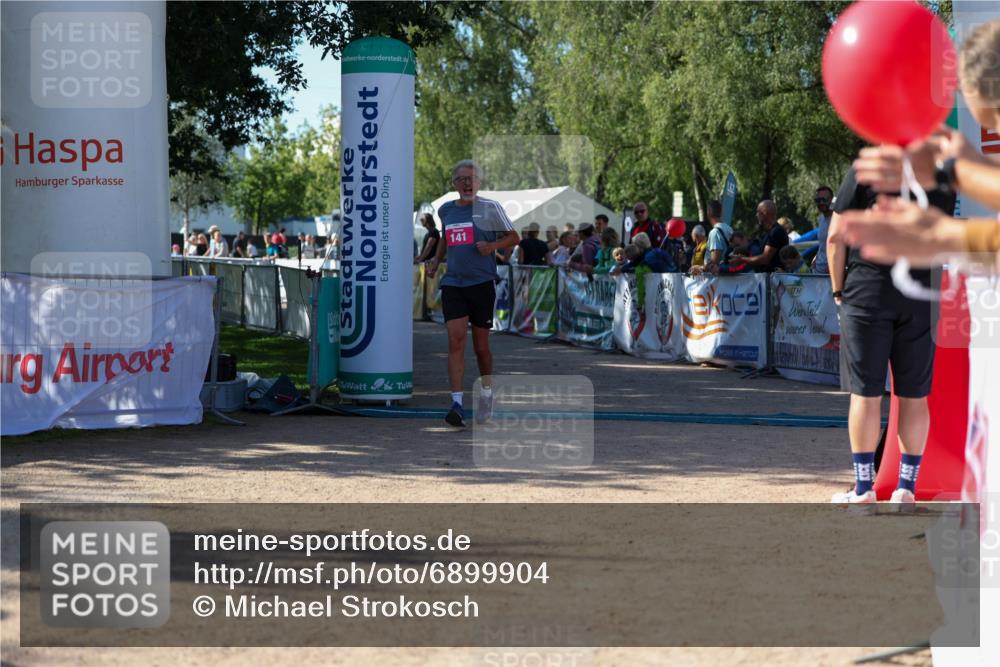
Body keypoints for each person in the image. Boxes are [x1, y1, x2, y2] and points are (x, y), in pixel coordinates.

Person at [827, 167, 956, 505]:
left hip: (869, 290)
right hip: (920, 292)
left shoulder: (865, 169)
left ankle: (863, 487)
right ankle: (906, 489)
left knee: (865, 394)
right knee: (914, 395)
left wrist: (838, 292)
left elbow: (835, 238)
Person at [427, 160, 519, 428]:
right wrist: (435, 260)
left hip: (481, 283)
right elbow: (446, 237)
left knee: (481, 347)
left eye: (472, 178)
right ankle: (456, 404)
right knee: (455, 341)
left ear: (479, 182)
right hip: (454, 282)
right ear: (454, 184)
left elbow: (514, 238)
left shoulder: (490, 208)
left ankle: (487, 394)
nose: (468, 183)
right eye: (462, 179)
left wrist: (492, 246)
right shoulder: (445, 210)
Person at [740, 200, 788, 272]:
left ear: (765, 213)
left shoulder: (776, 232)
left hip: (774, 279)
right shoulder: (768, 232)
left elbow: (765, 259)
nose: (756, 215)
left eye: (758, 212)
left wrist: (741, 259)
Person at [704, 200, 734, 271]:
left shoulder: (715, 232)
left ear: (708, 212)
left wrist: (700, 268)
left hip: (718, 278)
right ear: (721, 213)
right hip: (727, 274)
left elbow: (714, 262)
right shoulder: (729, 229)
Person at [812, 185, 835, 273]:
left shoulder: (839, 219)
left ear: (832, 200)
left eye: (824, 199)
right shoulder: (821, 218)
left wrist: (834, 266)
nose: (821, 203)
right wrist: (816, 257)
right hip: (818, 270)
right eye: (818, 200)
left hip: (831, 273)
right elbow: (823, 245)